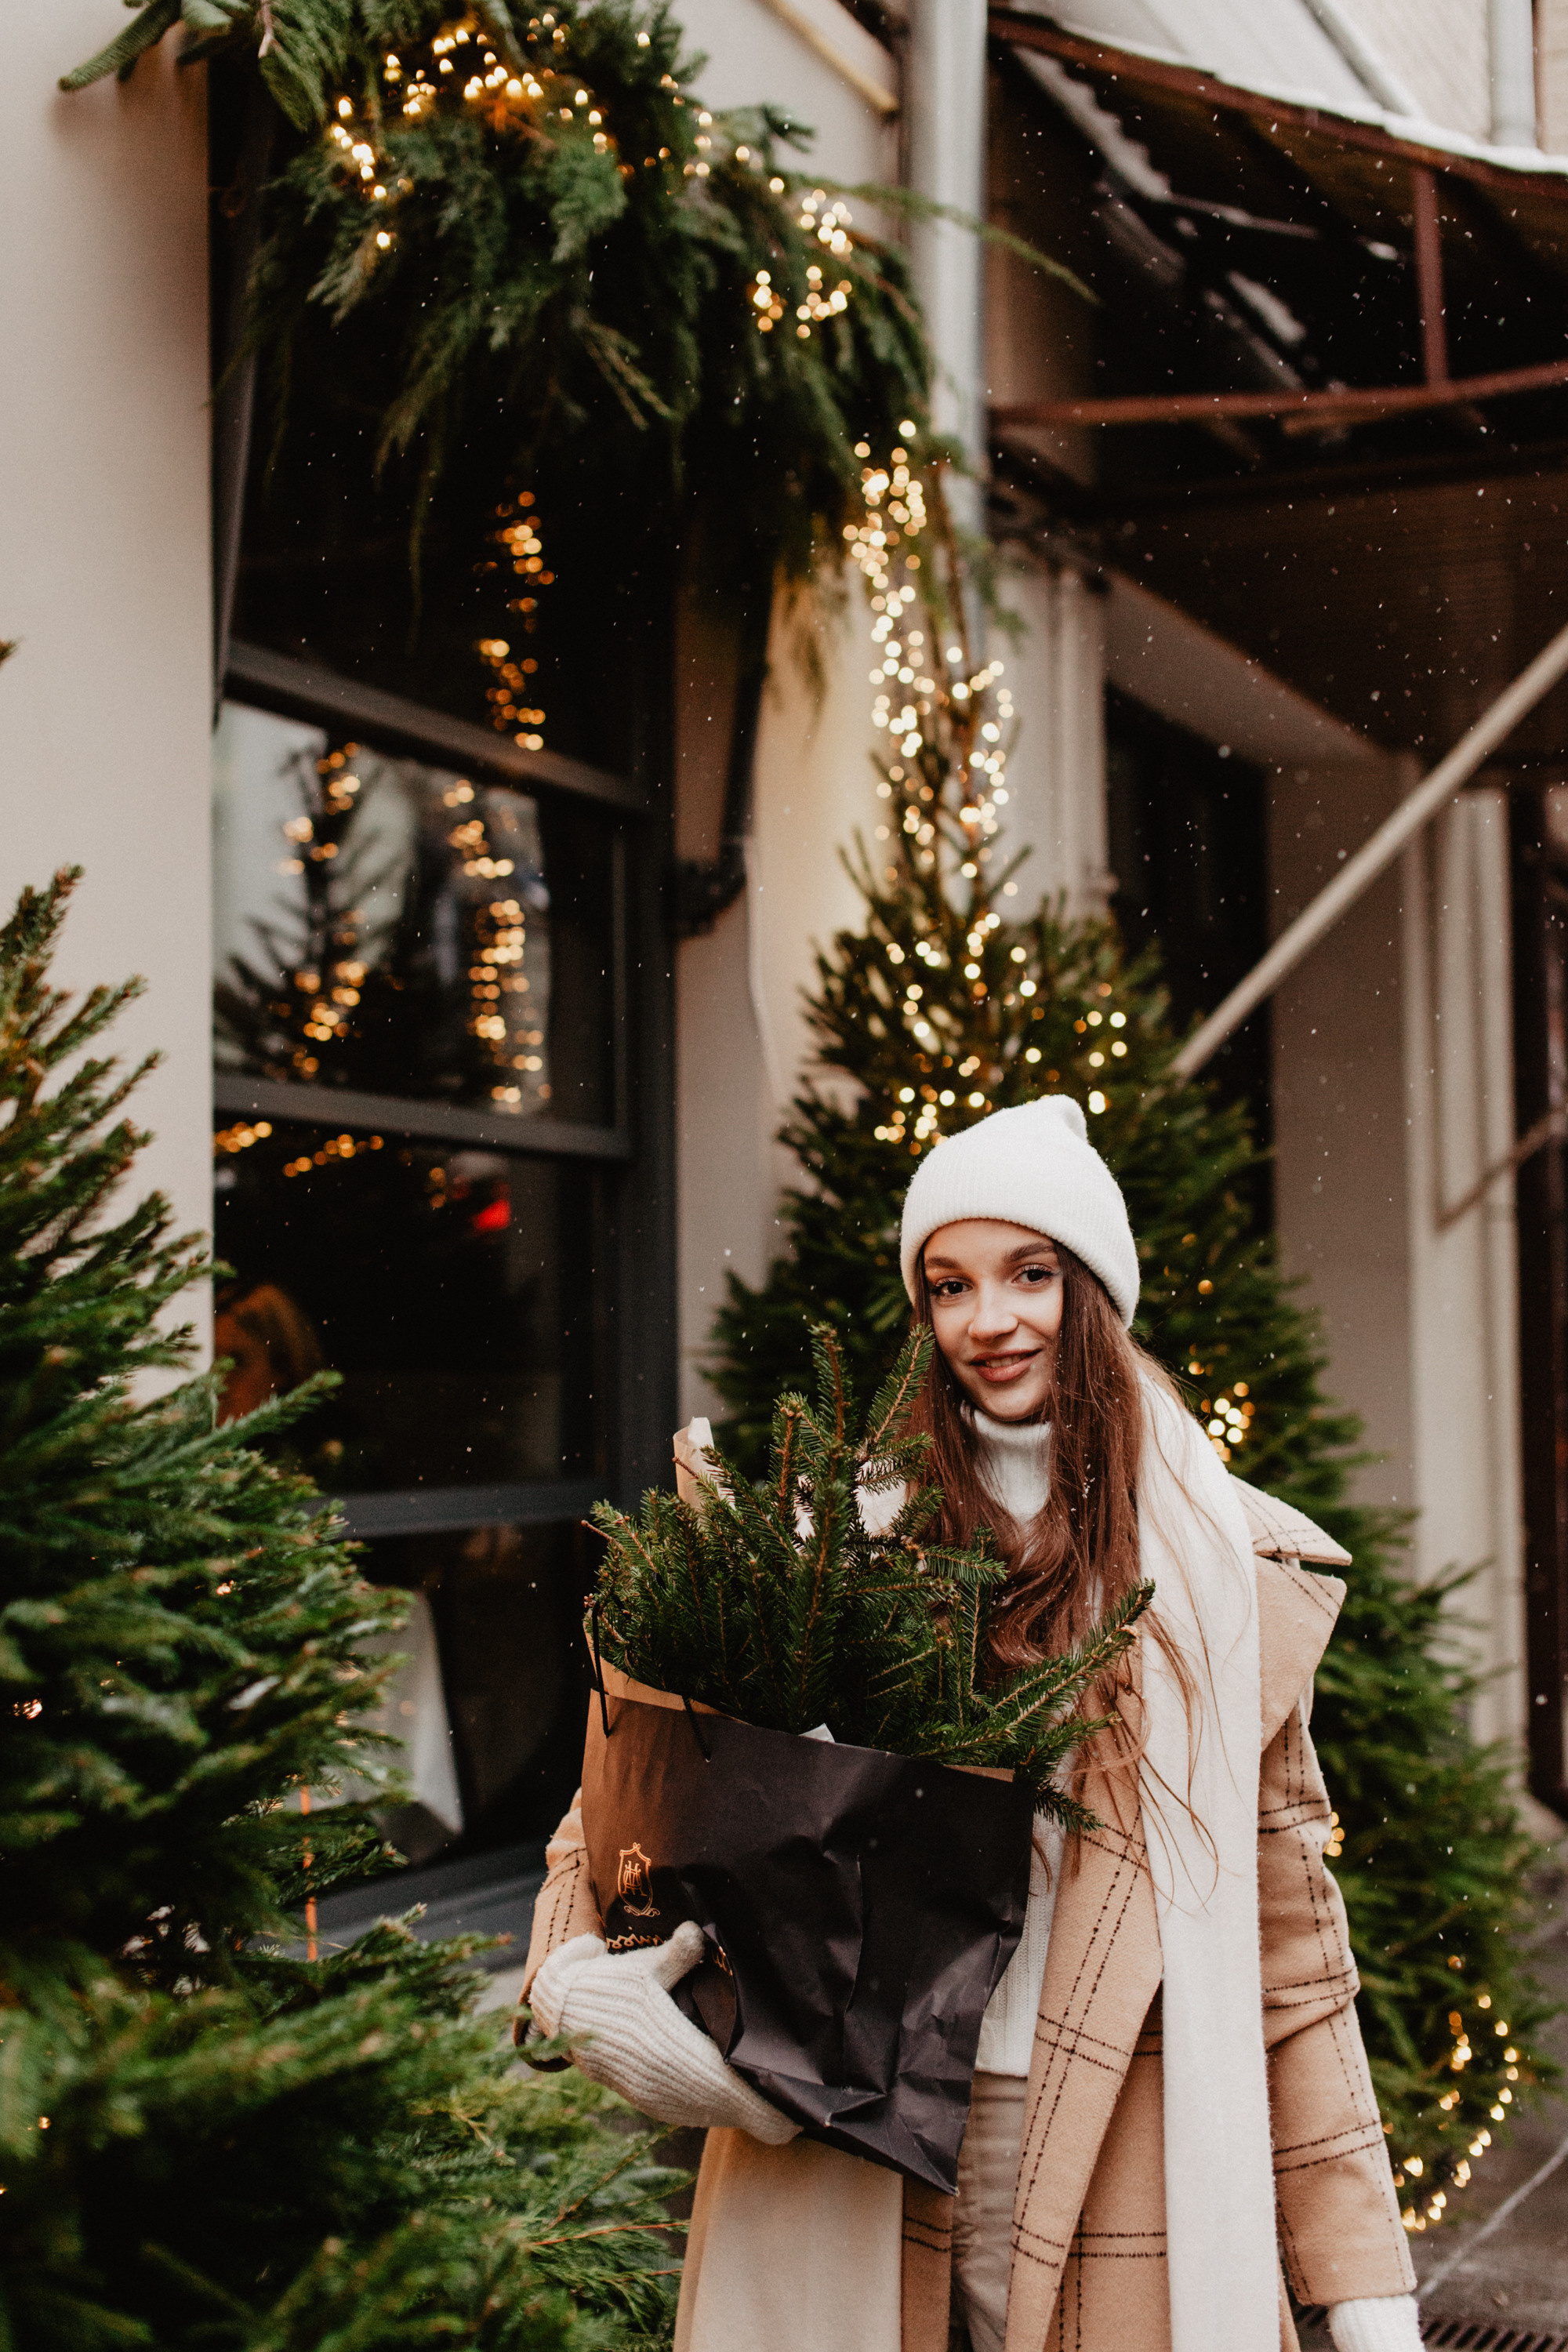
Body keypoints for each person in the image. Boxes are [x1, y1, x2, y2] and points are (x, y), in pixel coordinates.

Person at [521, 1098, 1421, 2352]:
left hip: (1119, 2148)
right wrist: (586, 1992)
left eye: (1029, 1274)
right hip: (839, 2149)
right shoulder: (838, 1548)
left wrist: (1369, 2302)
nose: (987, 1322)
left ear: (1096, 1292)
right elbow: (622, 1810)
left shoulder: (1227, 1577)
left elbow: (1291, 1962)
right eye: (949, 1285)